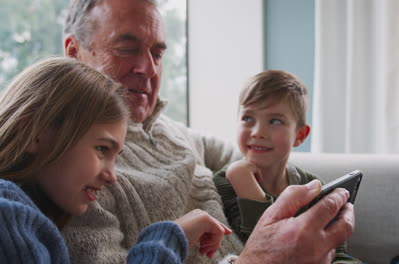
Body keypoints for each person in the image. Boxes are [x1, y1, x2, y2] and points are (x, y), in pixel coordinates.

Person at [61, 0, 356, 263]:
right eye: (127, 49)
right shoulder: (73, 163)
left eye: (158, 53)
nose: (149, 68)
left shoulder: (170, 130)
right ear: (75, 52)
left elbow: (252, 155)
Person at [0, 57, 232, 263]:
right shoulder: (7, 215)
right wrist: (168, 239)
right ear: (31, 133)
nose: (112, 176)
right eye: (102, 149)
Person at [213, 70, 361, 263]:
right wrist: (244, 182)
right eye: (247, 118)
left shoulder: (313, 187)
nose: (258, 132)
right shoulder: (225, 183)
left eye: (275, 121)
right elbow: (259, 249)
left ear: (300, 135)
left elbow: (338, 253)